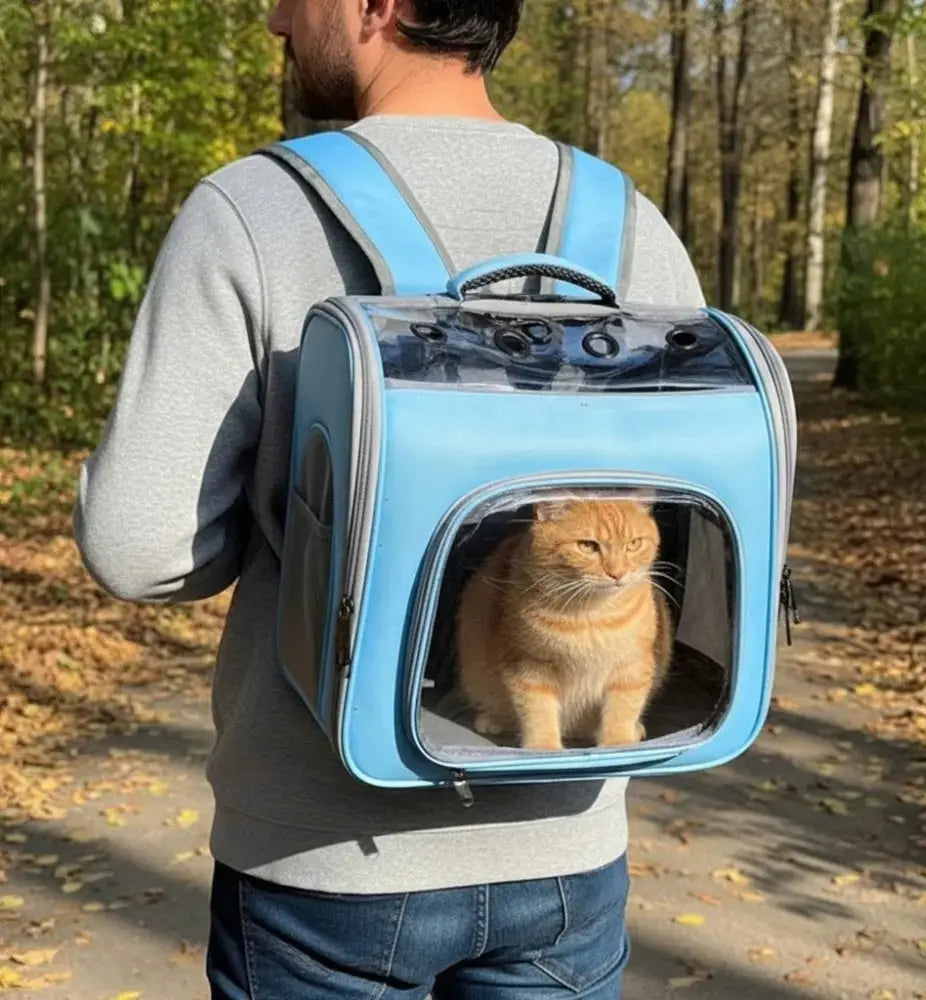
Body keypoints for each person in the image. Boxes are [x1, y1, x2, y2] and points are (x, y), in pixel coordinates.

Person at [73, 1, 706, 996]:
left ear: (378, 4)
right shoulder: (629, 224)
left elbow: (138, 548)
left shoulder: (256, 208)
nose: (278, 20)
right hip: (564, 844)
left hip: (322, 852)